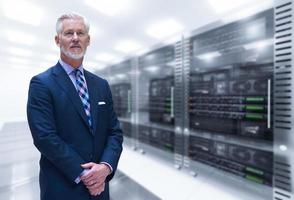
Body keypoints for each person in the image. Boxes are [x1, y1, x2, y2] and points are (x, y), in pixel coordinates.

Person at [27, 13, 123, 200]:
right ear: (57, 40)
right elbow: (45, 137)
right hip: (63, 186)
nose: (75, 38)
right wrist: (86, 176)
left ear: (88, 40)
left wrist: (105, 167)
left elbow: (114, 132)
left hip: (100, 187)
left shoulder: (101, 84)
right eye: (69, 33)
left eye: (81, 33)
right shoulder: (42, 84)